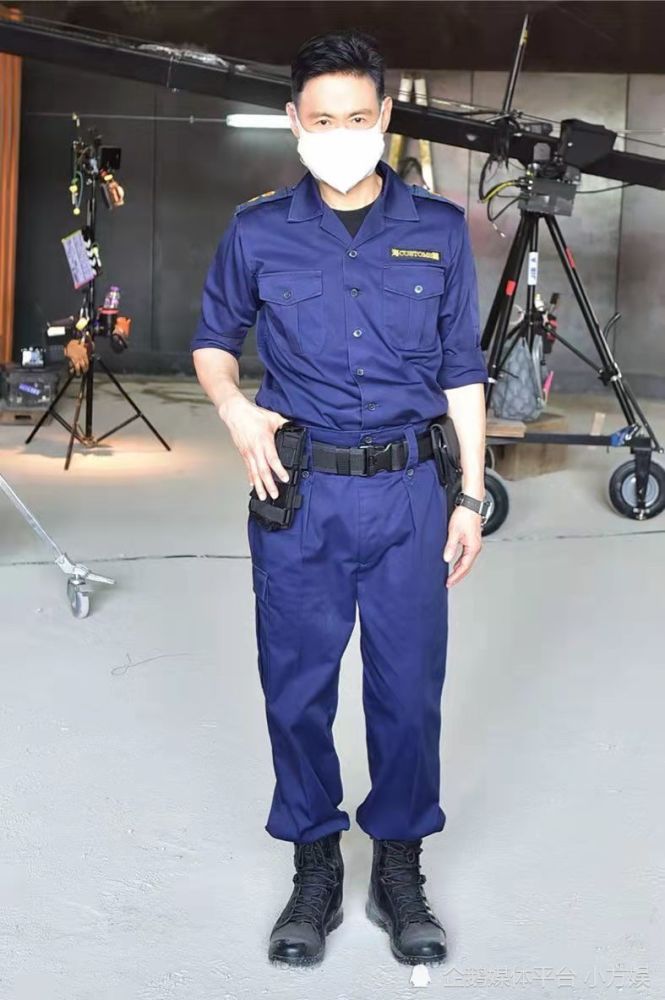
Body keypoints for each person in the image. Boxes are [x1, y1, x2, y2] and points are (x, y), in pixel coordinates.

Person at [190, 29, 489, 969]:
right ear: (295, 122)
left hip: (409, 497)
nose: (341, 134)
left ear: (384, 116)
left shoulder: (439, 229)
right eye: (322, 121)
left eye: (358, 117)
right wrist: (234, 407)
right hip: (299, 495)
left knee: (407, 693)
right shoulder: (257, 230)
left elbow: (462, 371)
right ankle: (314, 866)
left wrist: (470, 496)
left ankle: (398, 867)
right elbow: (212, 339)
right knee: (296, 690)